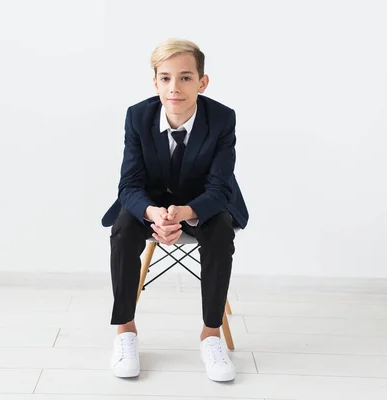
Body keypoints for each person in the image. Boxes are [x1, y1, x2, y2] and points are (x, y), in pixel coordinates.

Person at [101, 38, 249, 382]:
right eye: (165, 78)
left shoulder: (222, 119)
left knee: (220, 232)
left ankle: (211, 335)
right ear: (155, 82)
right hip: (150, 203)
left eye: (185, 77)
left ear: (202, 81)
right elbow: (129, 184)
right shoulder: (138, 116)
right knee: (122, 232)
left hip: (203, 203)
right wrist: (154, 214)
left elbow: (220, 187)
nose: (175, 87)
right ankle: (125, 331)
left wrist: (184, 213)